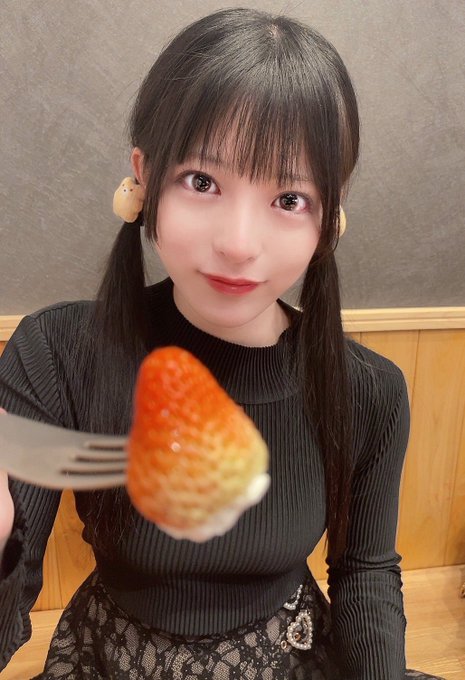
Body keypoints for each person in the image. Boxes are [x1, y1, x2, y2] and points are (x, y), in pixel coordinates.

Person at [0, 8, 444, 680]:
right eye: (202, 182)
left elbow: (364, 572)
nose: (238, 244)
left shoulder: (368, 389)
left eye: (289, 198)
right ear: (144, 178)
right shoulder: (57, 352)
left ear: (330, 215)